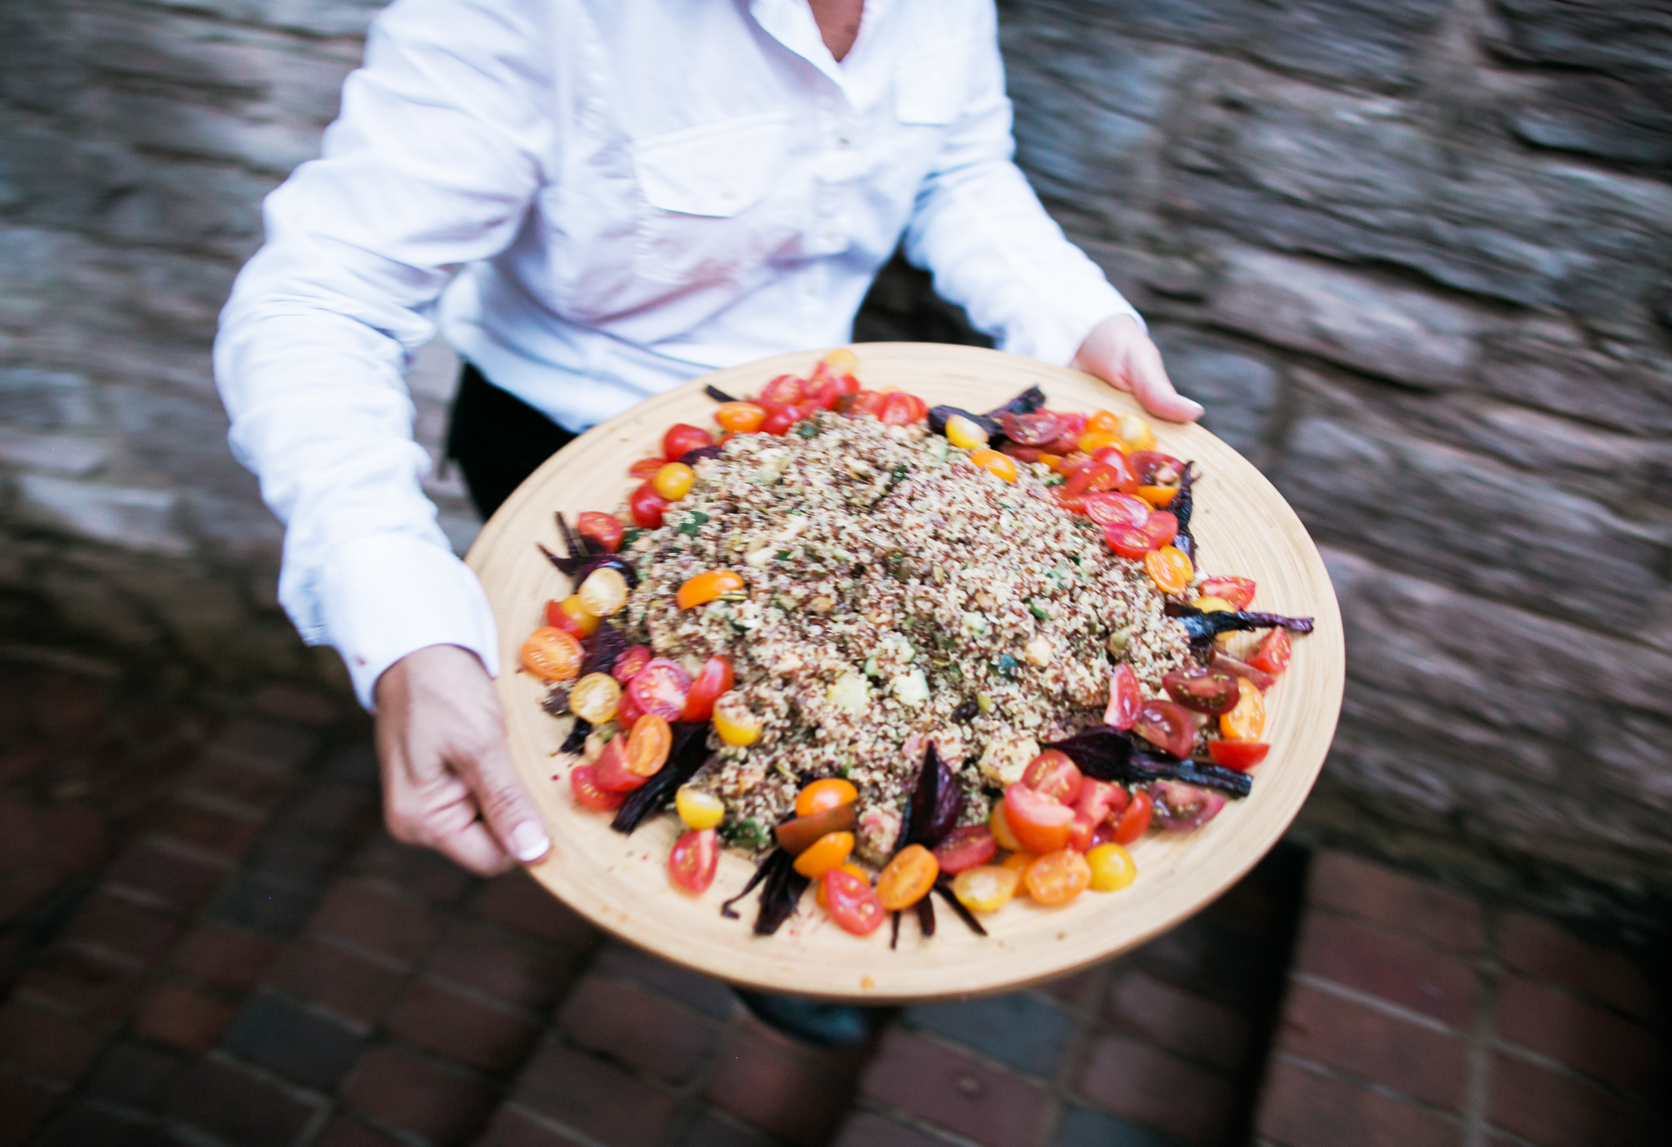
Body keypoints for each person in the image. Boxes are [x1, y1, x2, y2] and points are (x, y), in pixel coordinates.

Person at [216, 0, 1200, 910]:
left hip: (845, 446)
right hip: (579, 457)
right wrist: (403, 632)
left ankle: (808, 952)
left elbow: (957, 168)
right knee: (681, 796)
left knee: (869, 774)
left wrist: (1071, 320)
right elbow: (318, 300)